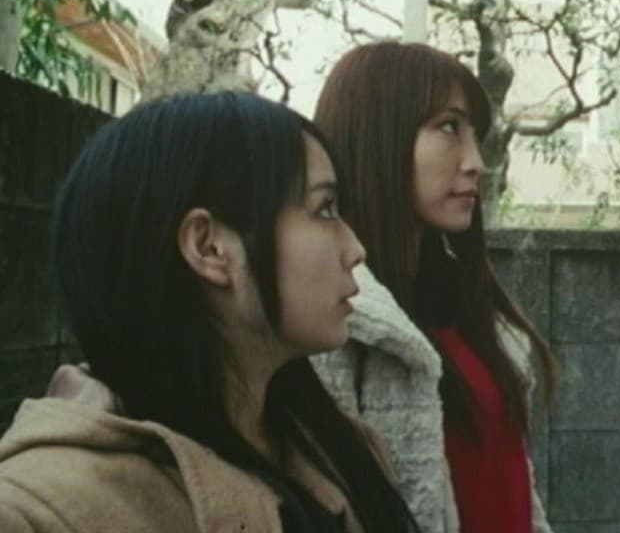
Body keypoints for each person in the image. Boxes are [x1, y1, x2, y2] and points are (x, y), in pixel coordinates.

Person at [0, 92, 419, 533]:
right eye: (324, 210)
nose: (355, 249)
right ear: (210, 248)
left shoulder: (346, 451)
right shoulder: (41, 513)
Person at [311, 41, 557, 533]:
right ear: (379, 135)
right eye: (449, 127)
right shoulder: (335, 317)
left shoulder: (467, 307)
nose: (475, 162)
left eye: (475, 135)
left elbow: (511, 484)